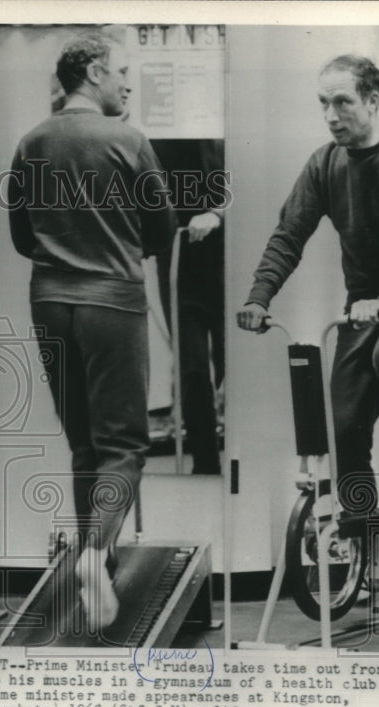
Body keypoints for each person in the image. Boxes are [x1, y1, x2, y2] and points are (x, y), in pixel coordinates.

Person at [7, 32, 177, 629]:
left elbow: (22, 237)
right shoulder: (129, 140)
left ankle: (92, 564)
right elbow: (161, 232)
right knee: (125, 447)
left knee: (84, 445)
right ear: (96, 72)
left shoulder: (31, 142)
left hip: (50, 301)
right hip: (112, 303)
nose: (128, 83)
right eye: (123, 72)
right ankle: (96, 554)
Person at [236, 55, 379, 516]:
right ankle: (363, 543)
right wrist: (259, 296)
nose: (330, 116)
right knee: (344, 426)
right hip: (365, 304)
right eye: (323, 104)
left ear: (373, 101)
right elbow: (288, 235)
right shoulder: (325, 163)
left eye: (342, 102)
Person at [153, 139, 226, 475]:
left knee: (235, 364)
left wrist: (217, 212)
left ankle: (240, 456)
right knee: (192, 365)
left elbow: (259, 183)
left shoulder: (229, 126)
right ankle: (206, 460)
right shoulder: (152, 132)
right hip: (180, 252)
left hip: (228, 255)